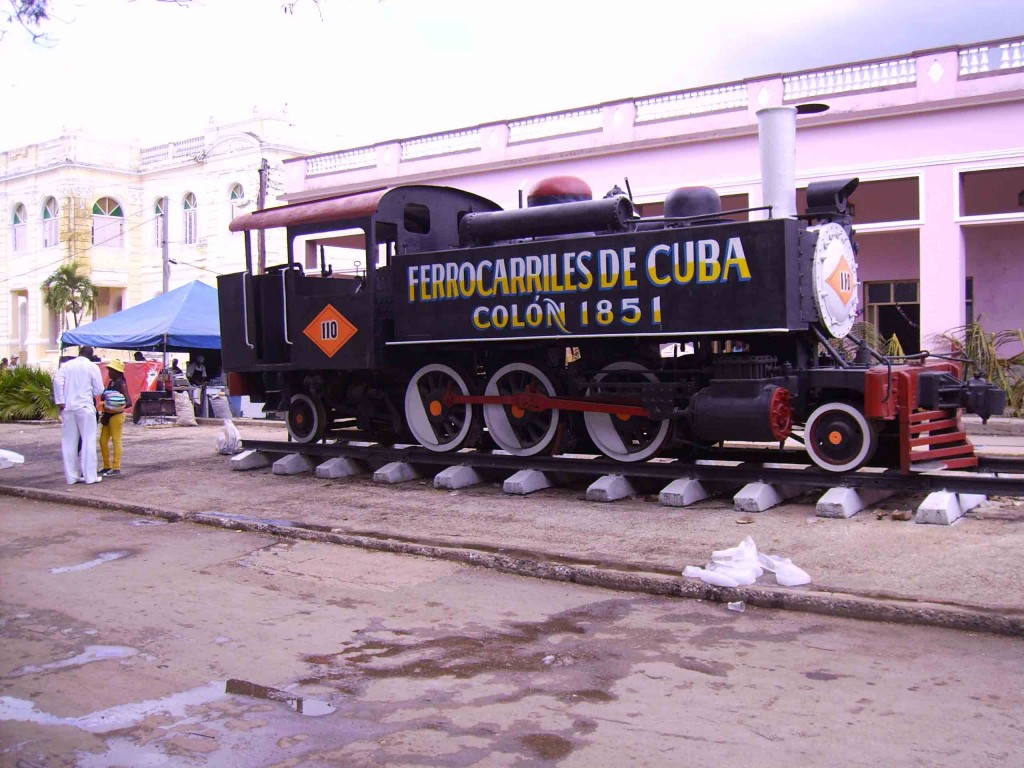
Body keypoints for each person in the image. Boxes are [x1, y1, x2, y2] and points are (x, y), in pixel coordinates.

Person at [53, 345, 104, 485]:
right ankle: (90, 477)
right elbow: (99, 389)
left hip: (68, 407)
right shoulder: (92, 367)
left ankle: (71, 477)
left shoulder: (66, 365)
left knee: (69, 442)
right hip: (85, 407)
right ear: (91, 355)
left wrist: (60, 401)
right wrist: (90, 393)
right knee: (88, 441)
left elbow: (57, 382)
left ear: (79, 353)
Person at [99, 359, 132, 477]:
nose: (109, 372)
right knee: (102, 441)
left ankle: (116, 467)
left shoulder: (121, 384)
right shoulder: (111, 383)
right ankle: (106, 466)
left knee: (116, 441)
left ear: (117, 372)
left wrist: (115, 406)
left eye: (111, 370)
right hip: (107, 416)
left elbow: (129, 402)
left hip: (117, 416)